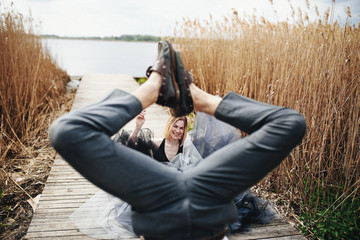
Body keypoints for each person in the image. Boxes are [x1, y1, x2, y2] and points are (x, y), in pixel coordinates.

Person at [50, 40, 306, 240]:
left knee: (66, 132)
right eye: (177, 127)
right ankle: (196, 98)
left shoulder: (170, 148)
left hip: (156, 202)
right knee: (291, 124)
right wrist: (198, 102)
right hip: (210, 198)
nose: (178, 130)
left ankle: (151, 88)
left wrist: (149, 99)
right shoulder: (176, 150)